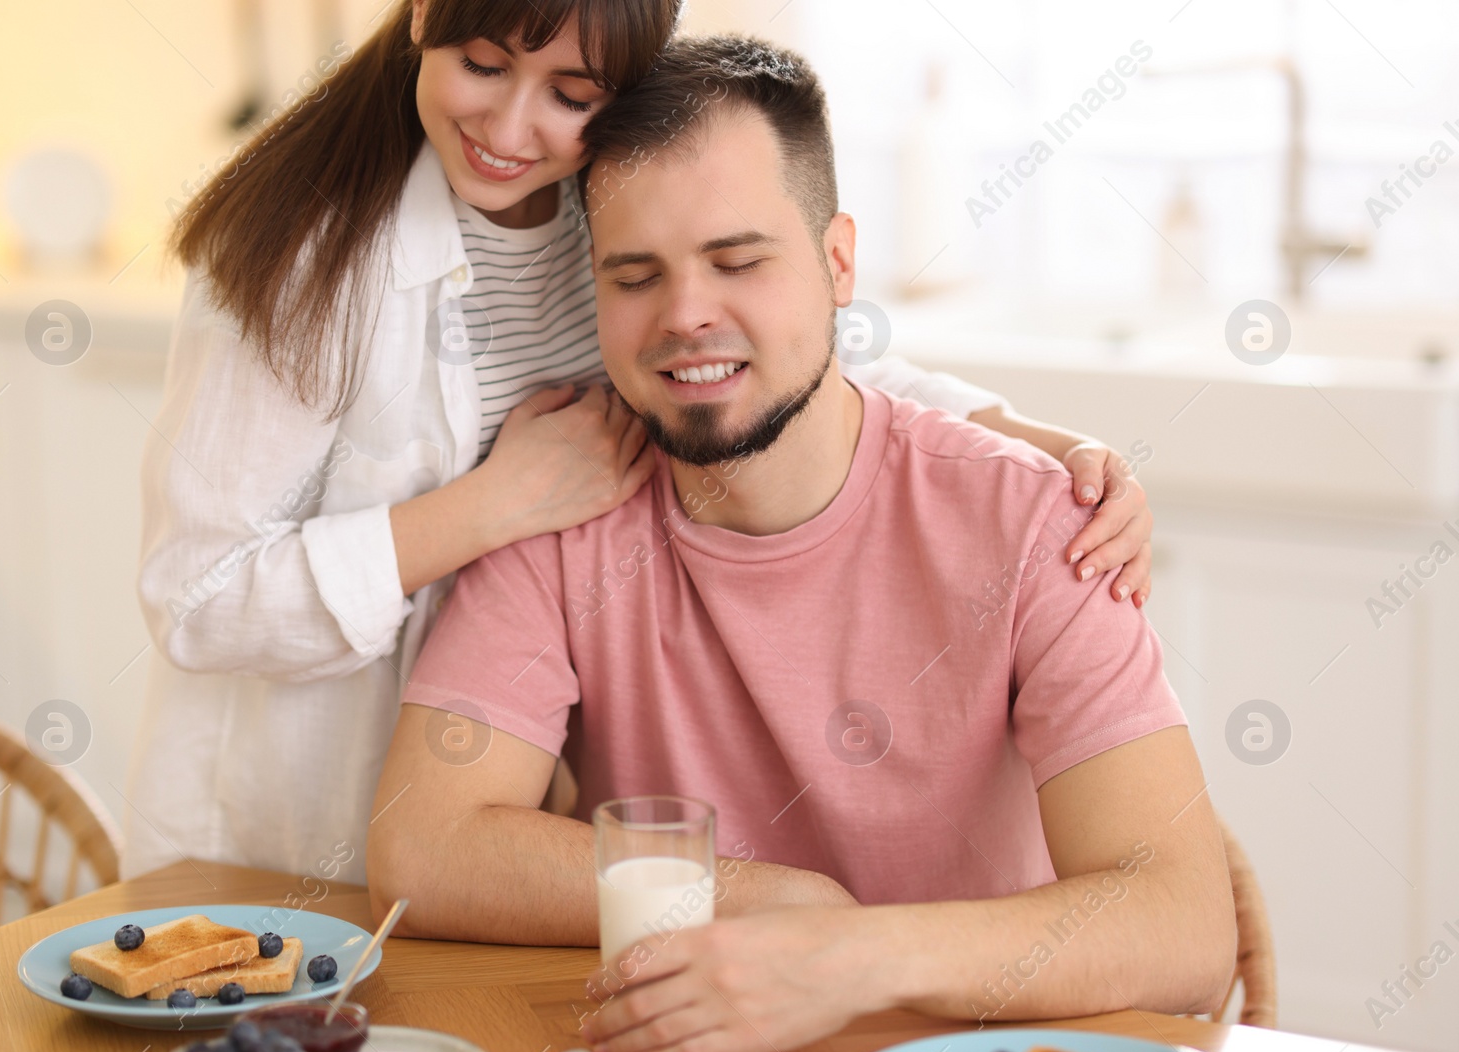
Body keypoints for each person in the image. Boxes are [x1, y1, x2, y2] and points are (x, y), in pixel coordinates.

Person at [123, 0, 1155, 883]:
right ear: (423, 21)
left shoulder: (604, 218)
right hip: (280, 832)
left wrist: (1011, 434)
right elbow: (196, 596)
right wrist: (485, 509)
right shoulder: (299, 261)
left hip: (503, 791)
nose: (510, 126)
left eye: (570, 95)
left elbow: (747, 347)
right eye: (481, 65)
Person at [366, 35, 1234, 1052]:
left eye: (737, 261)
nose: (686, 314)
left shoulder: (1037, 521)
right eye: (635, 274)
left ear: (835, 261)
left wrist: (851, 954)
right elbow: (423, 845)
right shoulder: (560, 494)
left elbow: (1181, 921)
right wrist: (779, 898)